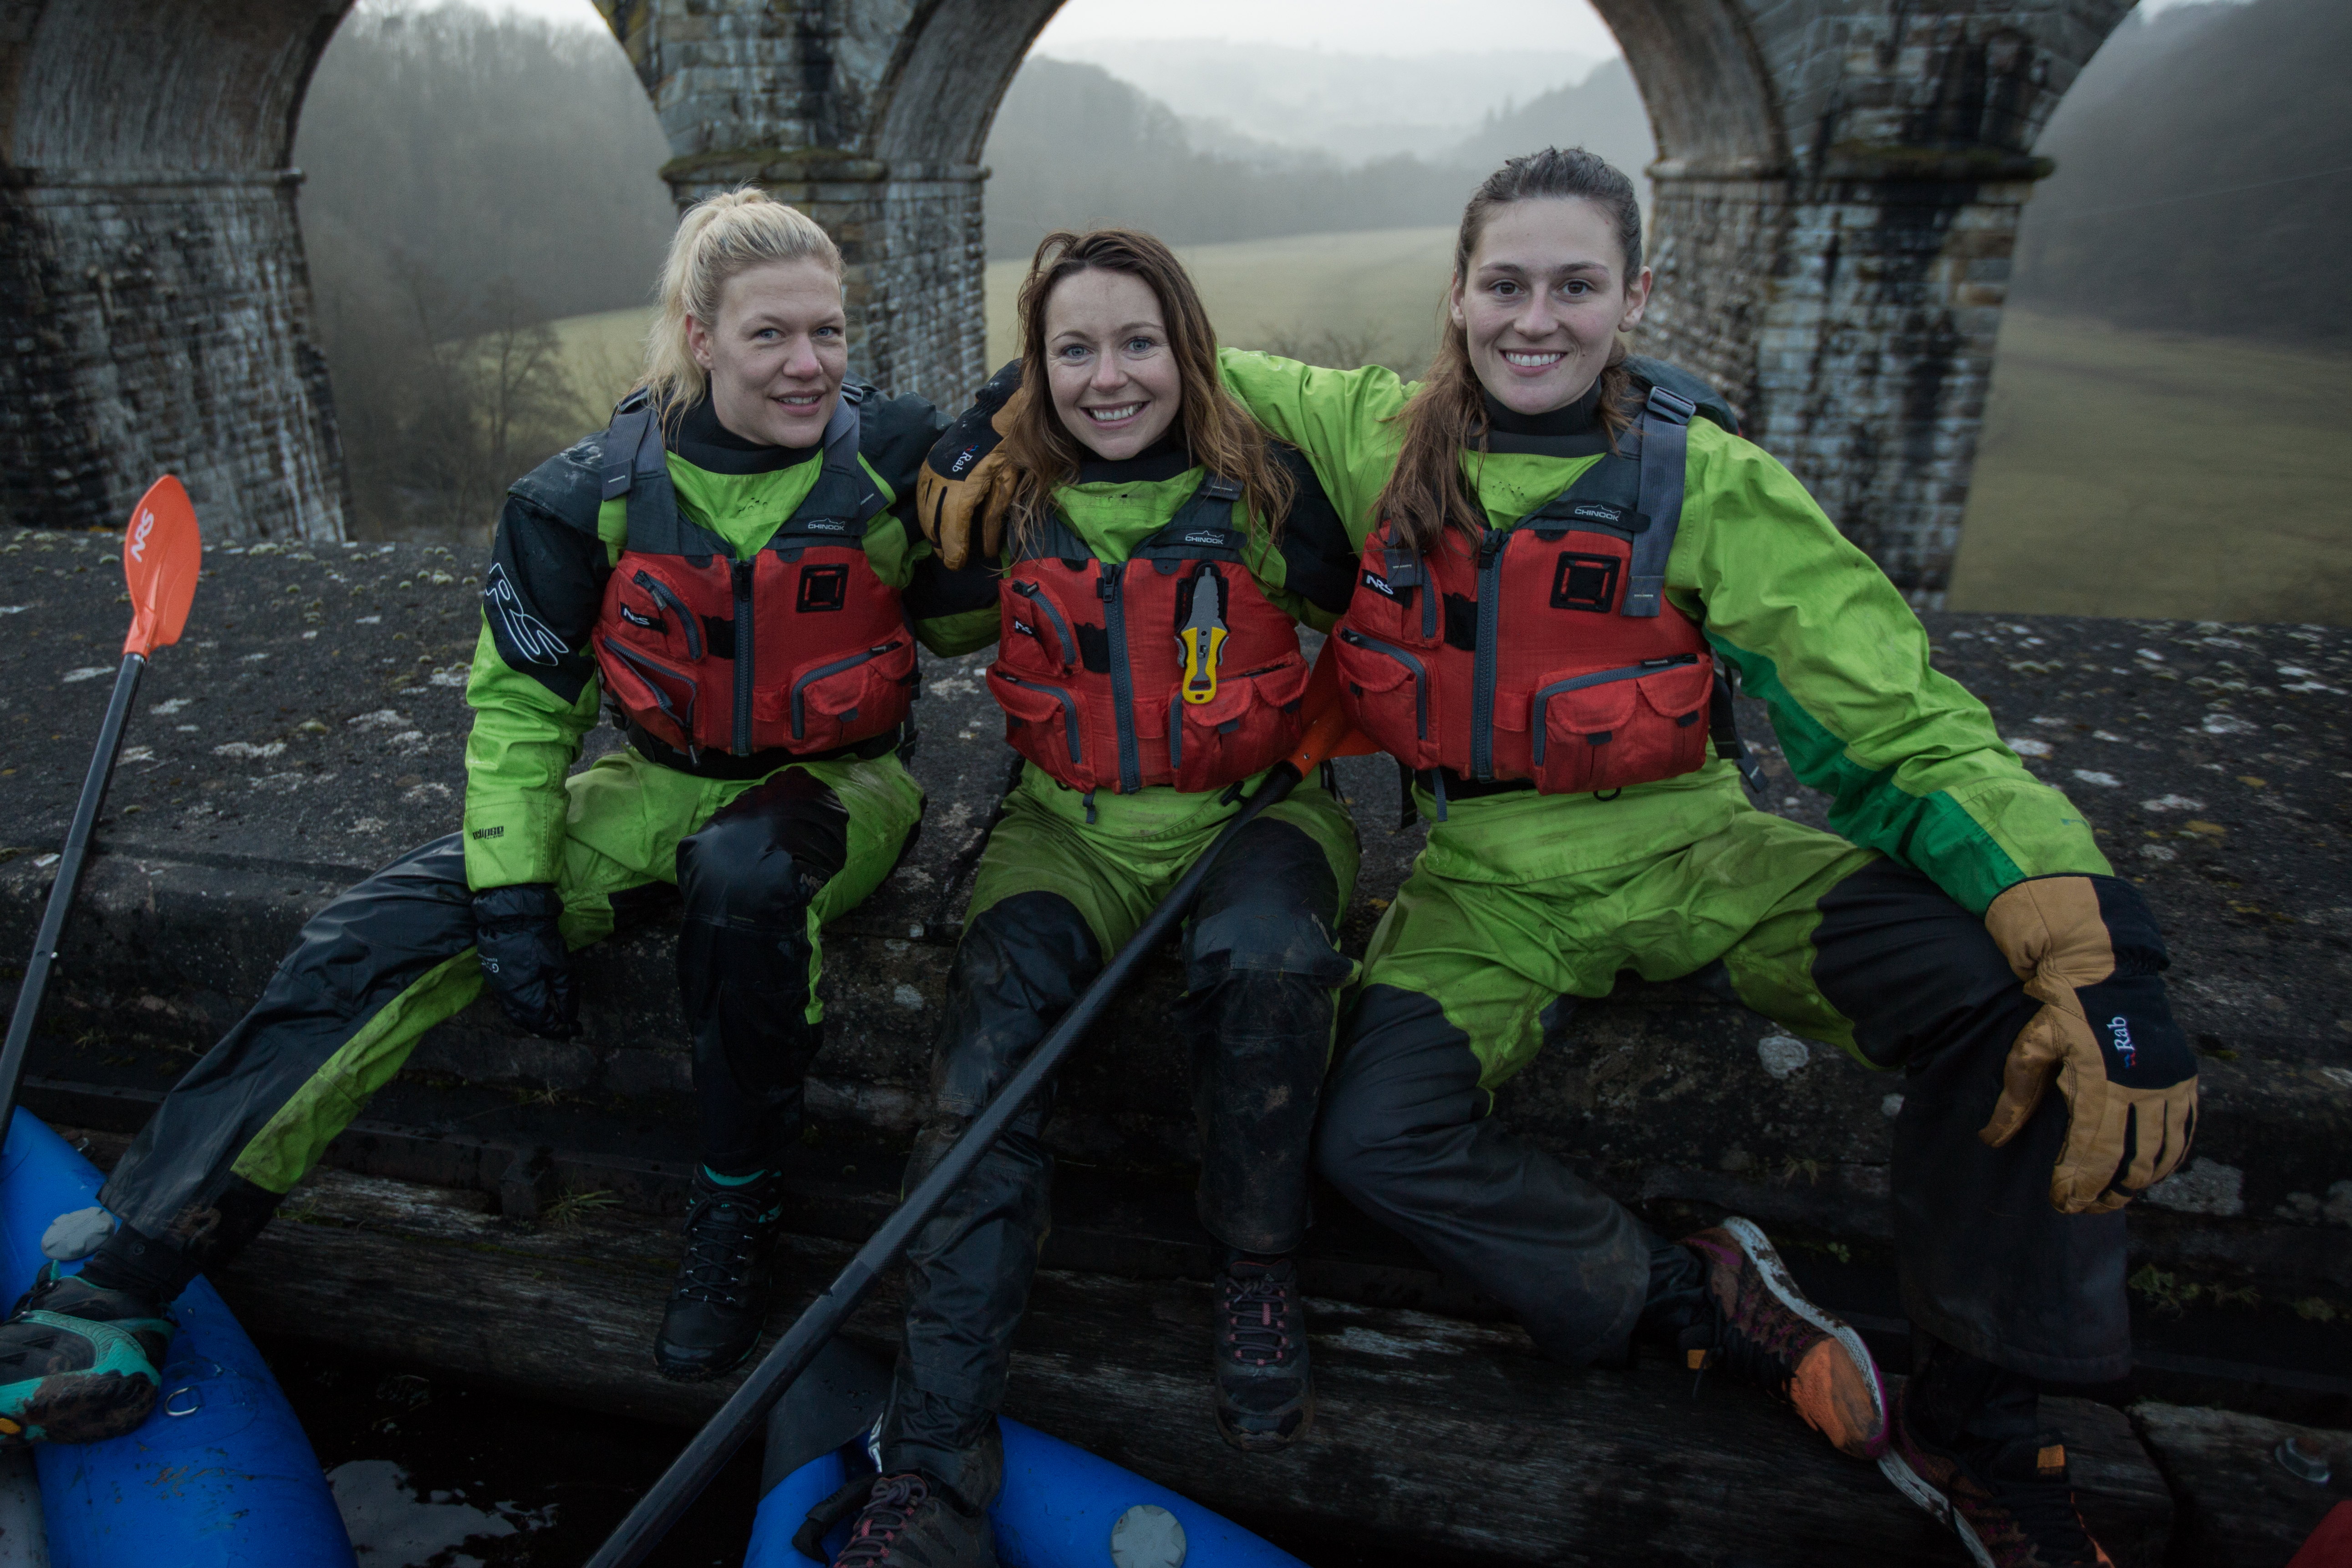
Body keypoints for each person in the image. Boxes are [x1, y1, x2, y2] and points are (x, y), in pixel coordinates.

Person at [928, 152, 2197, 1568]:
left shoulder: (1707, 479)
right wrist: (981, 422)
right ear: (1458, 294)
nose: (1538, 320)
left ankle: (1984, 1424)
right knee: (1372, 1136)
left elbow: (1894, 722)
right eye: (1508, 285)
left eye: (1577, 287)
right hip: (1486, 886)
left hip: (1701, 848)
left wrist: (2098, 932)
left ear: (1632, 296)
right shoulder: (1365, 432)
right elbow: (1143, 358)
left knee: (1994, 989)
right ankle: (1692, 1296)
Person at [0, 189, 1002, 1441]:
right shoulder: (580, 496)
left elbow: (962, 629)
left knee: (746, 882)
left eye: (830, 333)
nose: (810, 364)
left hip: (845, 783)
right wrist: (515, 894)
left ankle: (734, 1205)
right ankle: (130, 1266)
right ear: (700, 336)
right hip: (653, 779)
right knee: (370, 935)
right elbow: (525, 708)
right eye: (771, 336)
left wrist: (993, 507)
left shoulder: (894, 457)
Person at [801, 229, 1364, 1565]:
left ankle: (1257, 1267)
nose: (1109, 379)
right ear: (1033, 371)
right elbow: (905, 611)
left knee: (1273, 963)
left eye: (1137, 345)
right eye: (1072, 352)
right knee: (985, 1053)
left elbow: (1395, 617)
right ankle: (932, 1466)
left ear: (1186, 349)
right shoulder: (1007, 503)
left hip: (1260, 812)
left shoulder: (1272, 489)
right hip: (1066, 828)